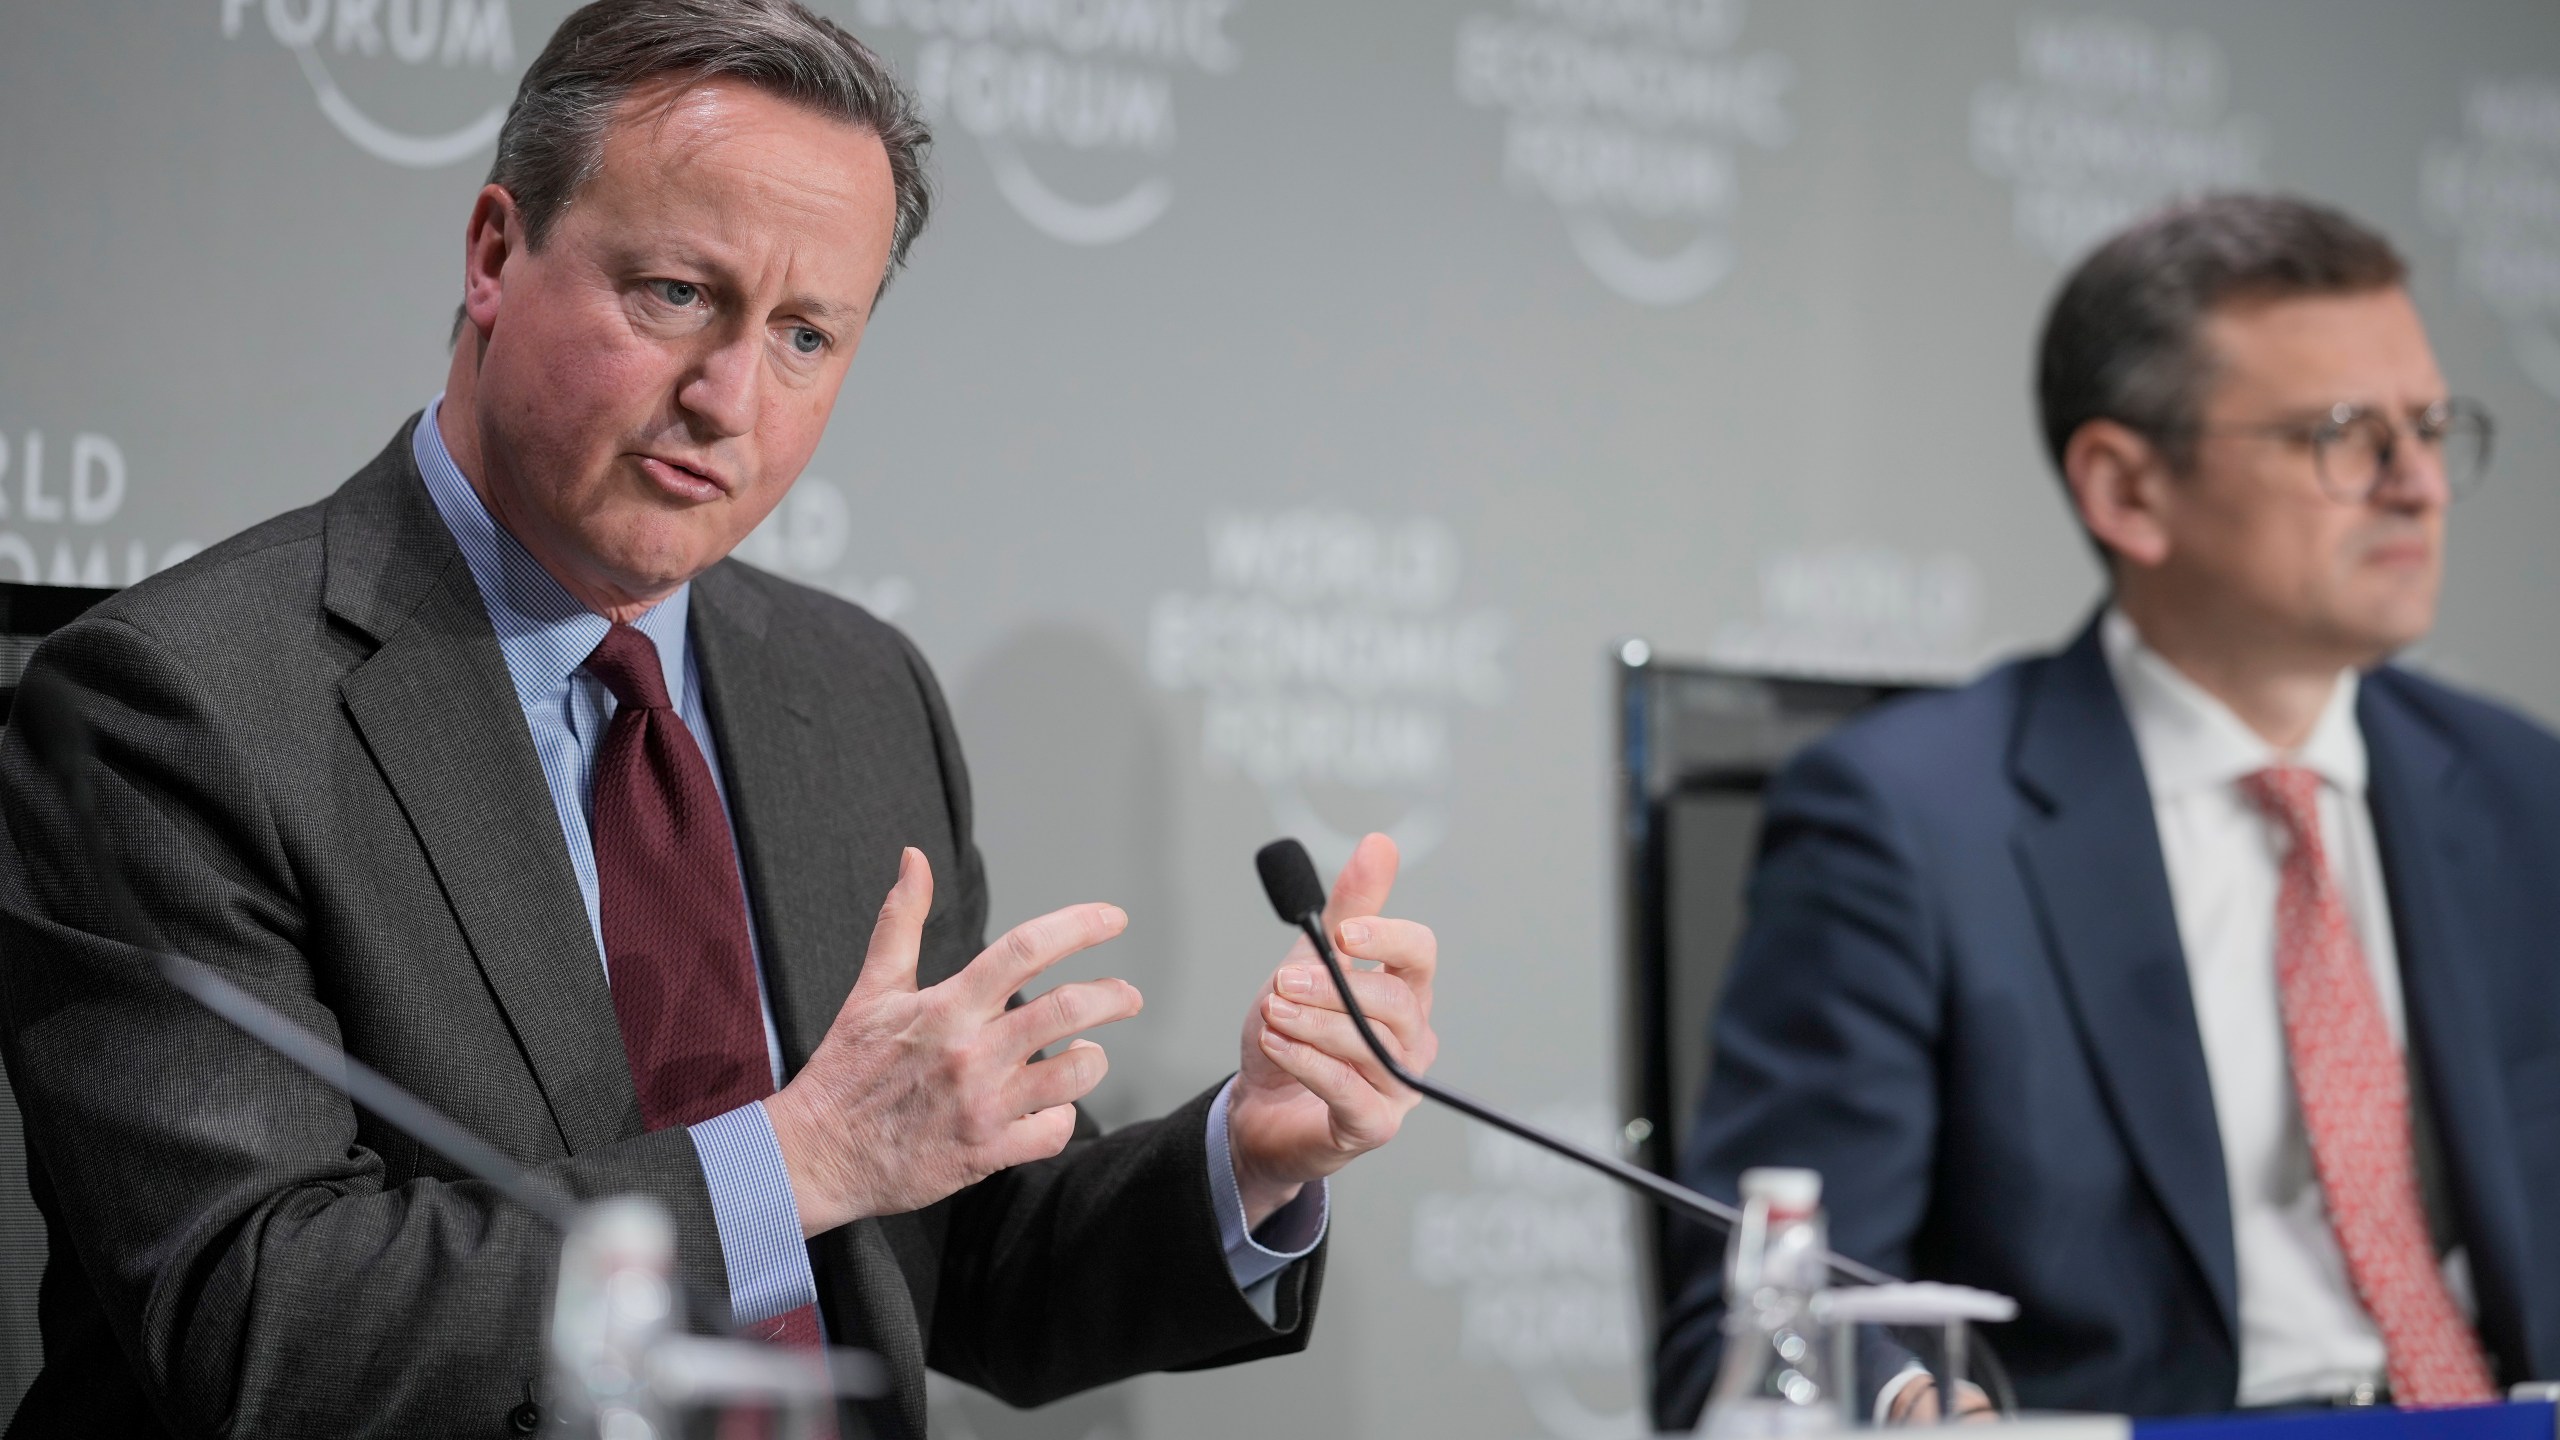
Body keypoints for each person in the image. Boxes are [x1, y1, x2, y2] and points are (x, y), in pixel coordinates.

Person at [0, 3, 1443, 1435]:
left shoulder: (854, 690)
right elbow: (262, 1325)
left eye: (808, 334)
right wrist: (796, 1159)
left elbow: (947, 1261)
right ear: (497, 254)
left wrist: (1243, 1158)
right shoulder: (181, 703)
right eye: (677, 294)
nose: (729, 398)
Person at [1655, 192, 2560, 1425]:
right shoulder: (1910, 818)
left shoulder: (2521, 792)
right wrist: (1915, 1406)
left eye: (2430, 427)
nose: (2417, 487)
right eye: (2347, 435)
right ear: (2127, 490)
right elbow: (1761, 1303)